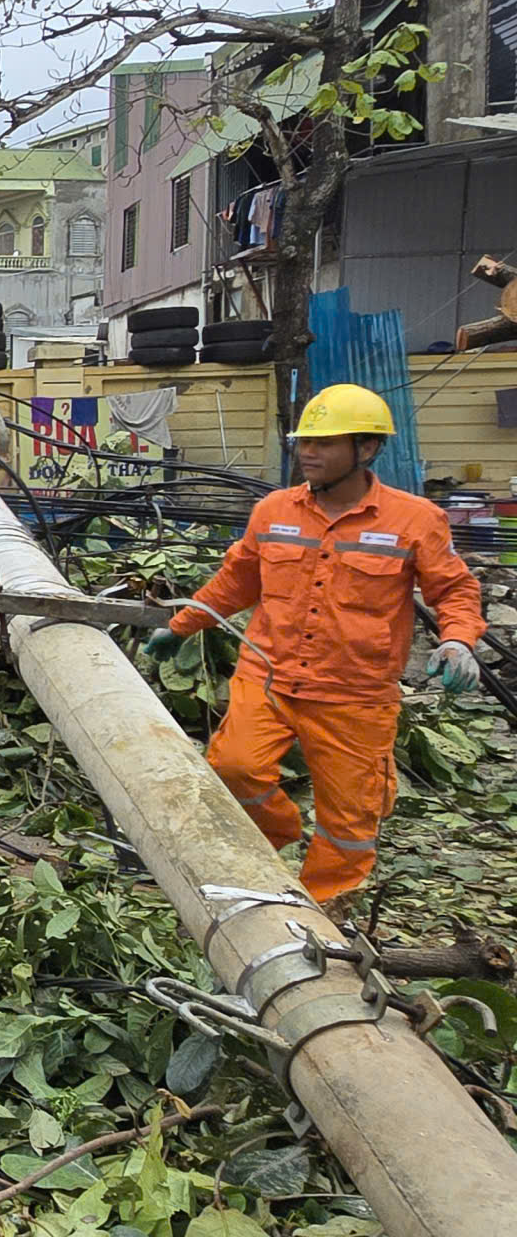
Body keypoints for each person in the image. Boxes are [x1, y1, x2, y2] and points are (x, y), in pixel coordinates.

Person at [150, 382, 484, 915]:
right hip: (269, 674)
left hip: (354, 692)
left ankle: (321, 912)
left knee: (349, 821)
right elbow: (237, 581)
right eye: (304, 441)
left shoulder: (414, 519)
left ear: (367, 448)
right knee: (233, 768)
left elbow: (455, 589)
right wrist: (184, 624)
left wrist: (457, 639)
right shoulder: (274, 510)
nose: (308, 452)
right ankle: (276, 833)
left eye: (325, 443)